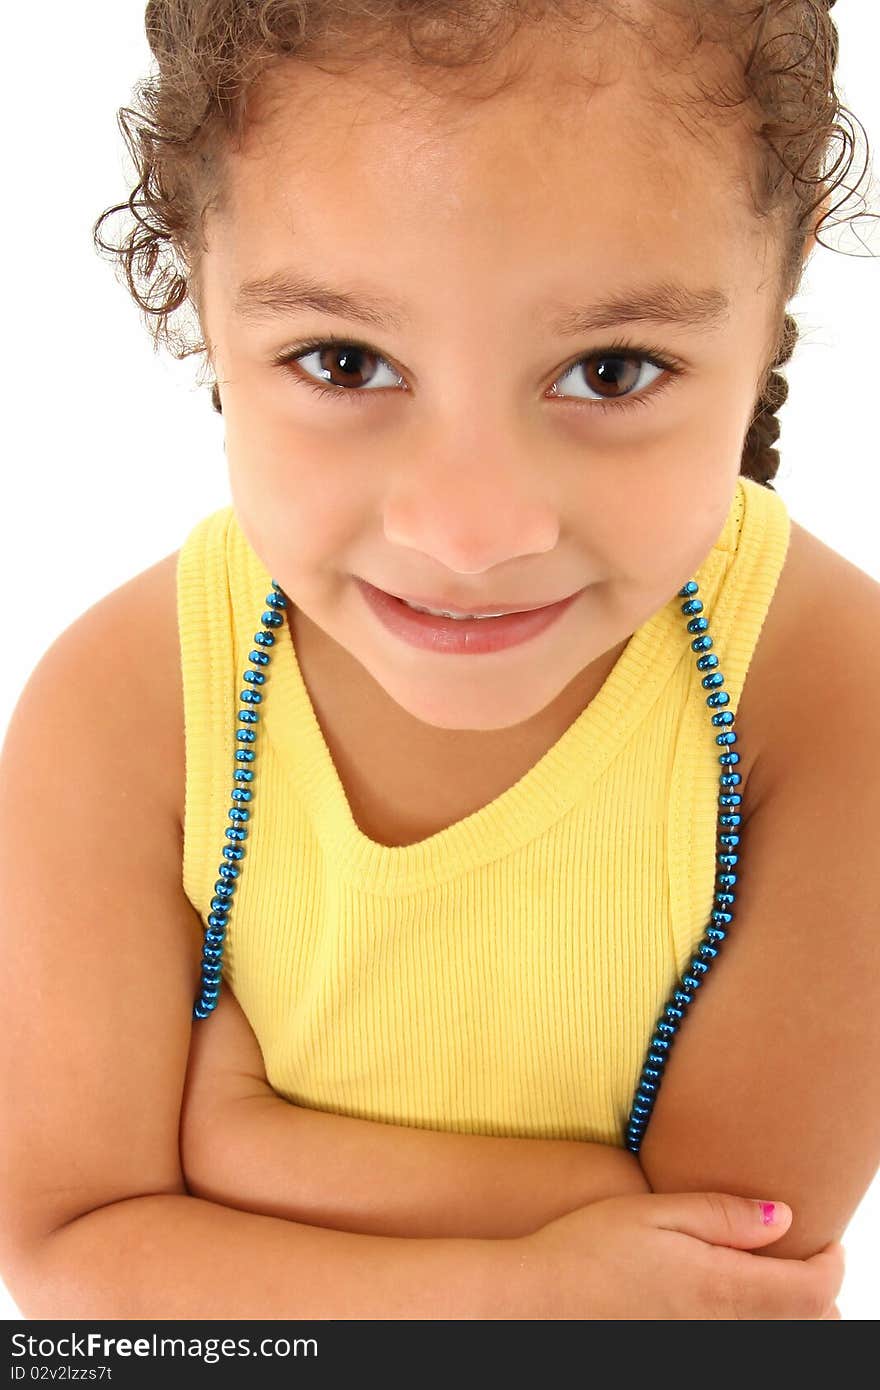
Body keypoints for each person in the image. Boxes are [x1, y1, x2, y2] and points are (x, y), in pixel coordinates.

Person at [0, 0, 876, 1320]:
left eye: (612, 368)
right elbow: (71, 1269)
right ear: (196, 265)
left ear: (784, 273)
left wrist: (238, 1147)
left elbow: (726, 1283)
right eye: (346, 361)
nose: (472, 534)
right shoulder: (126, 711)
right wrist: (514, 1287)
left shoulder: (825, 700)